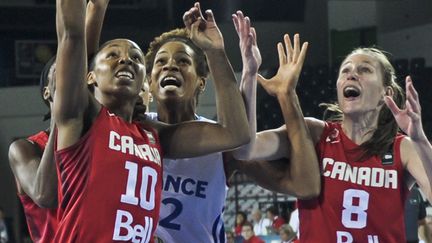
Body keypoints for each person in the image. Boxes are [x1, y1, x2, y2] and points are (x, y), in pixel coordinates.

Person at [53, 0, 249, 242]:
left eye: (135, 58)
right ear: (90, 76)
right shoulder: (83, 118)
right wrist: (95, 9)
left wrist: (215, 52)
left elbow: (235, 134)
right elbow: (72, 36)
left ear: (145, 82)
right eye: (113, 54)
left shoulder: (151, 134)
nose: (125, 60)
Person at [145, 10, 319, 243]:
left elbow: (302, 185)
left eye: (183, 61)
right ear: (149, 80)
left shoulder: (221, 143)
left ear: (201, 83)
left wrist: (249, 72)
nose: (171, 66)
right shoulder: (131, 130)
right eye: (161, 62)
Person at [251, 40, 432, 242]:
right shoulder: (315, 133)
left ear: (385, 93)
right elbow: (247, 148)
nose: (351, 74)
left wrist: (420, 140)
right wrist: (248, 77)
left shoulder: (403, 147)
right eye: (345, 70)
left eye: (365, 70)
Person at [8, 1, 110, 242]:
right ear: (46, 91)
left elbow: (85, 62)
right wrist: (62, 117)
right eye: (61, 71)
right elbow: (45, 194)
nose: (69, 76)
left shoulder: (96, 136)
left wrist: (97, 9)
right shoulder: (24, 148)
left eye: (74, 74)